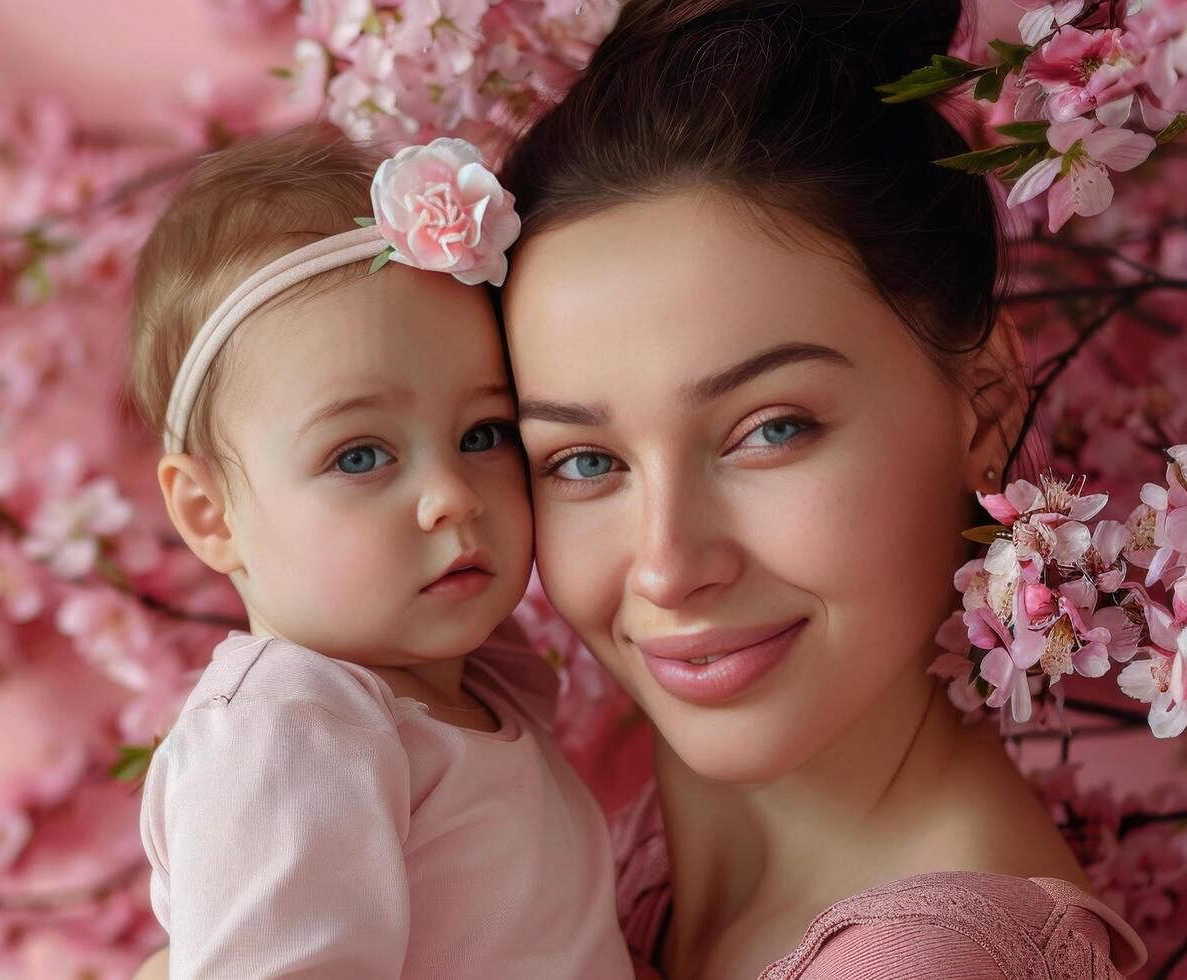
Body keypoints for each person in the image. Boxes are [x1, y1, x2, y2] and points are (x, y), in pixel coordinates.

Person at [134, 0, 1151, 976]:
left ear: (980, 401)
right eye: (582, 461)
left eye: (770, 430)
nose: (667, 564)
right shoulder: (569, 852)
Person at [125, 124, 633, 977]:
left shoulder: (475, 682)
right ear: (211, 513)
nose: (452, 497)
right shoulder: (290, 730)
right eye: (360, 456)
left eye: (483, 433)